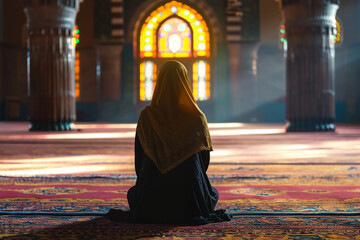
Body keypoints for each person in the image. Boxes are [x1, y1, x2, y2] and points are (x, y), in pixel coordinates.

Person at [106, 60, 231, 224]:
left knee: (133, 193)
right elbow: (204, 161)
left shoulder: (147, 116)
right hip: (190, 201)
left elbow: (140, 157)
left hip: (150, 201)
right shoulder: (197, 118)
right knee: (212, 193)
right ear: (186, 82)